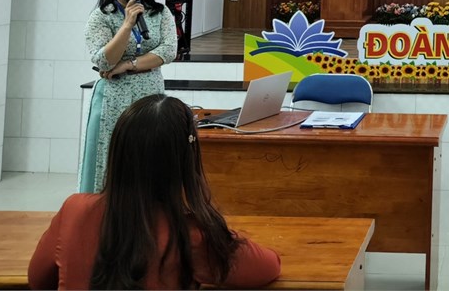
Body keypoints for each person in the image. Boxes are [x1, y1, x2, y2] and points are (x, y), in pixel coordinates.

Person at [29, 95, 281, 289]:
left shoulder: (75, 208)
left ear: (118, 151)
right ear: (185, 161)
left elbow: (38, 279)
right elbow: (268, 266)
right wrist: (213, 227)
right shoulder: (191, 235)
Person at [79, 0, 178, 193]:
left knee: (149, 157)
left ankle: (148, 208)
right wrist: (126, 25)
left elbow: (168, 51)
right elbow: (104, 61)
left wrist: (127, 65)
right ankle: (105, 210)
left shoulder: (160, 13)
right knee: (112, 159)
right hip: (113, 98)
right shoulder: (101, 17)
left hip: (151, 96)